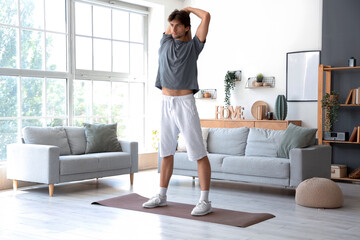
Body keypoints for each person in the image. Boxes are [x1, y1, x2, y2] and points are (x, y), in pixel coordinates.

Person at [142, 7, 212, 216]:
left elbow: (206, 16)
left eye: (177, 25)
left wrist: (188, 9)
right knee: (165, 151)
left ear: (187, 28)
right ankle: (162, 195)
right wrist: (175, 16)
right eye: (171, 25)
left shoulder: (194, 47)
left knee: (198, 152)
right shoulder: (165, 41)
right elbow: (171, 26)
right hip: (165, 102)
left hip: (184, 102)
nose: (172, 28)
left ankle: (205, 201)